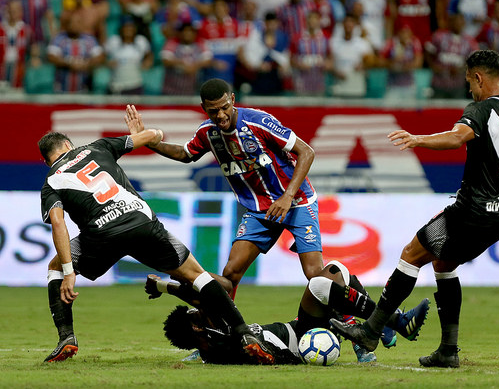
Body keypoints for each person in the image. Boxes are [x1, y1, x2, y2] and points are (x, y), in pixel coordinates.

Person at [330, 50, 499, 368]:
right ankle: (447, 350)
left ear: (478, 77)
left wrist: (417, 139)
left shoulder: (480, 109)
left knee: (411, 253)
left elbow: (457, 137)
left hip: (474, 211)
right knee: (443, 264)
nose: (469, 89)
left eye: (470, 82)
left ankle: (371, 331)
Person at [38, 130, 272, 364]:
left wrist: (69, 273)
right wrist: (154, 132)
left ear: (47, 160)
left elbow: (59, 224)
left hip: (101, 235)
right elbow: (148, 136)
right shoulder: (97, 147)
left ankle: (66, 337)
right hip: (140, 222)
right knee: (197, 275)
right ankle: (244, 332)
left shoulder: (51, 180)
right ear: (69, 144)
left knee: (55, 267)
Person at [124, 79, 324, 296]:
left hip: (296, 202)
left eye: (224, 108)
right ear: (204, 109)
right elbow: (185, 154)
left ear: (233, 100)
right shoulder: (207, 133)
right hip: (260, 211)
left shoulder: (259, 122)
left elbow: (307, 152)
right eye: (213, 111)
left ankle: (349, 314)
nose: (220, 115)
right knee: (230, 274)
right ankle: (227, 326)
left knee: (314, 273)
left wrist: (288, 196)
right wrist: (147, 140)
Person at [149, 260, 430, 365]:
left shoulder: (213, 330)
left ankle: (376, 327)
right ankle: (390, 321)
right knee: (320, 283)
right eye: (194, 314)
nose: (199, 309)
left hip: (298, 326)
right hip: (301, 341)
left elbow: (213, 289)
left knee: (334, 271)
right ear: (196, 328)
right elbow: (214, 289)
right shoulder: (216, 341)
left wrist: (165, 286)